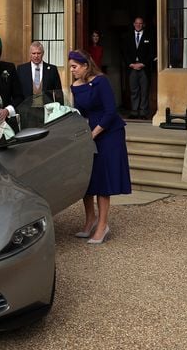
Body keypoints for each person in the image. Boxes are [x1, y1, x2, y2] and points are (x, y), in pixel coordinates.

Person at [68, 49, 132, 244]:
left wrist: (94, 133)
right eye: (70, 67)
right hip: (89, 134)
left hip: (109, 133)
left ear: (86, 66)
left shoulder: (101, 81)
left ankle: (103, 226)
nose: (72, 70)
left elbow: (111, 111)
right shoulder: (75, 86)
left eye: (75, 67)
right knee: (88, 180)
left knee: (103, 180)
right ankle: (90, 221)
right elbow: (79, 112)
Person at [120, 17, 156, 118]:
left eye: (140, 23)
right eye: (136, 23)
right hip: (132, 68)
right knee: (133, 91)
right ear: (133, 24)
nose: (138, 25)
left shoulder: (149, 36)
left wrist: (143, 63)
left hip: (144, 68)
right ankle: (134, 112)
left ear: (143, 24)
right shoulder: (128, 36)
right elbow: (124, 52)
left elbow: (152, 53)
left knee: (144, 91)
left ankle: (143, 112)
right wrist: (130, 64)